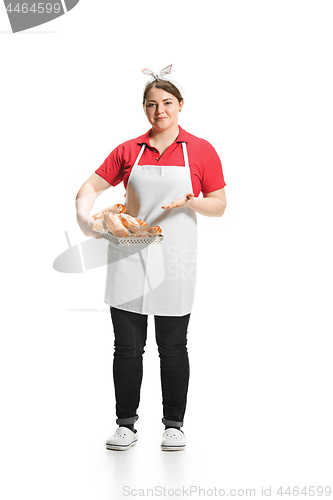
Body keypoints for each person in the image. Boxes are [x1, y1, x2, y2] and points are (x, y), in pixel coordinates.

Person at [75, 66, 227, 452]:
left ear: (180, 106)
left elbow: (220, 204)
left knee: (173, 346)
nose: (160, 111)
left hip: (176, 259)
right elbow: (89, 187)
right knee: (126, 346)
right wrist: (85, 218)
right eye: (152, 104)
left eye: (167, 103)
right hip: (127, 256)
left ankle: (173, 425)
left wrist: (193, 201)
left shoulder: (201, 150)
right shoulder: (129, 150)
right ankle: (125, 424)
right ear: (144, 110)